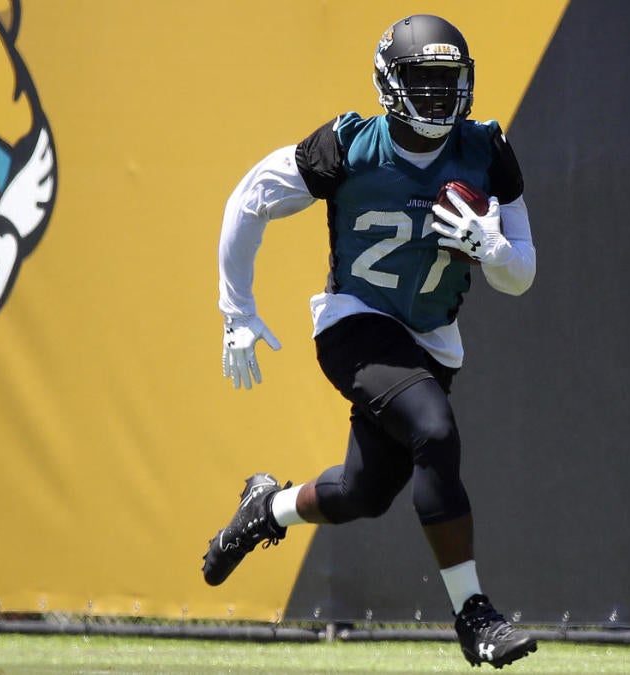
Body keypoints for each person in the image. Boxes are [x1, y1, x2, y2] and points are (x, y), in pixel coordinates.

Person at [201, 14, 538, 669]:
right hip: (355, 322)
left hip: (430, 341)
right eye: (425, 82)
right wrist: (235, 308)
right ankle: (475, 614)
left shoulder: (487, 149)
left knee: (364, 490)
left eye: (449, 82)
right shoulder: (349, 146)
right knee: (434, 431)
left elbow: (521, 274)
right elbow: (249, 199)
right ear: (391, 83)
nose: (440, 97)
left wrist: (493, 247)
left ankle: (264, 507)